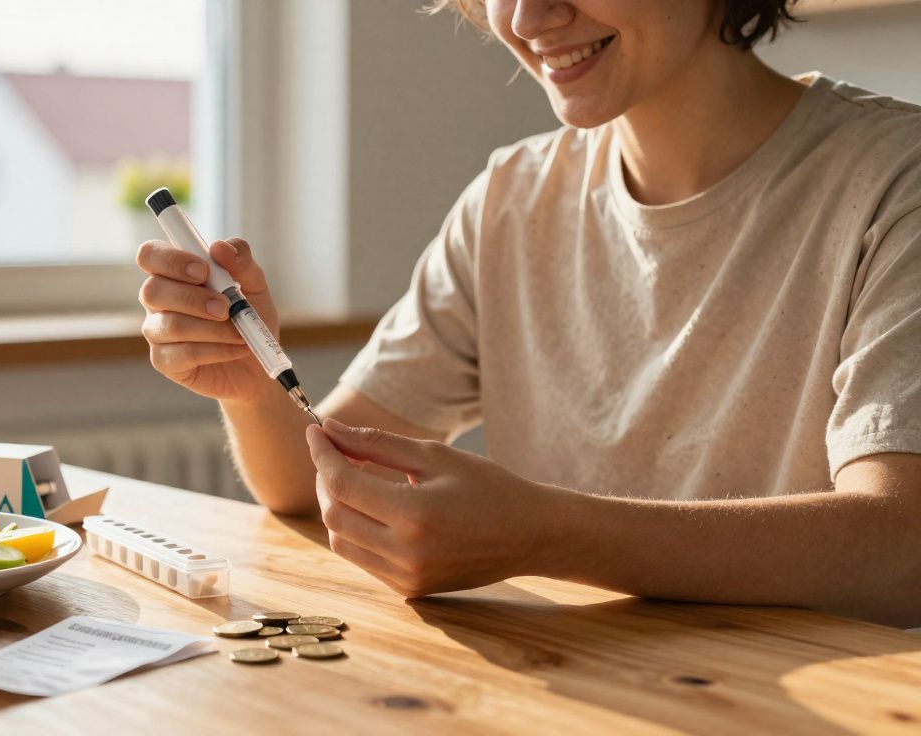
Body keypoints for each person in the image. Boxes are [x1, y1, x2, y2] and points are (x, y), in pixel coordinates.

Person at [135, 0, 921, 627]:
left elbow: (901, 546)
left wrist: (544, 533)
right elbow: (315, 487)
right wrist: (247, 384)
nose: (526, 16)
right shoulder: (510, 201)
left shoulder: (894, 182)